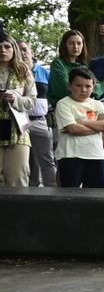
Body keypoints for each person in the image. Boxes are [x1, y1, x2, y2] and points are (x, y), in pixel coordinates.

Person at [54, 68, 104, 188]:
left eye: (88, 86)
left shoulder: (98, 104)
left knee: (97, 196)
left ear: (93, 86)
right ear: (69, 86)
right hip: (70, 156)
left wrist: (83, 122)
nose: (83, 90)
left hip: (96, 155)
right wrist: (97, 126)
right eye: (78, 85)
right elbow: (73, 129)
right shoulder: (63, 104)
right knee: (69, 196)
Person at [0, 32, 36, 186]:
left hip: (17, 130)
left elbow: (32, 101)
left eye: (7, 46)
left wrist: (15, 99)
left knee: (18, 178)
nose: (2, 50)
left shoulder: (24, 72)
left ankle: (18, 211)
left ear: (14, 49)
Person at [20, 42, 57, 187]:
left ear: (32, 53)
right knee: (24, 161)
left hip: (40, 120)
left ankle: (52, 191)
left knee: (47, 159)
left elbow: (54, 93)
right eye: (19, 50)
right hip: (17, 122)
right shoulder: (11, 73)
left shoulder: (44, 71)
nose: (22, 53)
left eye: (25, 50)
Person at [48, 29, 101, 108]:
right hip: (64, 107)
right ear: (65, 45)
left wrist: (80, 90)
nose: (75, 46)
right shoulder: (58, 63)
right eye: (71, 43)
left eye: (79, 43)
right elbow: (63, 89)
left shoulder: (83, 66)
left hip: (83, 107)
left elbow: (100, 88)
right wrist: (88, 92)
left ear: (83, 45)